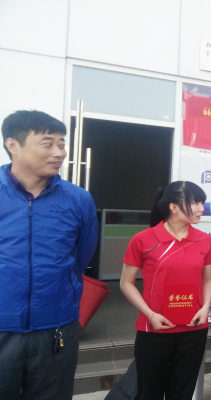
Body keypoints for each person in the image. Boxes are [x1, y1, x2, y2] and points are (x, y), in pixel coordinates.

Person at [0, 110, 98, 399]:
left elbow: (81, 259)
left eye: (62, 144)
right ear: (13, 145)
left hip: (56, 328)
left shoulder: (79, 199)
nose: (59, 153)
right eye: (48, 143)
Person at [120, 181, 211, 400]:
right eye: (195, 203)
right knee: (149, 393)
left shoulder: (205, 241)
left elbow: (208, 279)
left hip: (193, 329)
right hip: (154, 329)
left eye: (202, 203)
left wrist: (205, 308)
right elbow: (126, 283)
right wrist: (150, 314)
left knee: (182, 393)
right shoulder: (143, 240)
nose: (201, 208)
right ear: (173, 207)